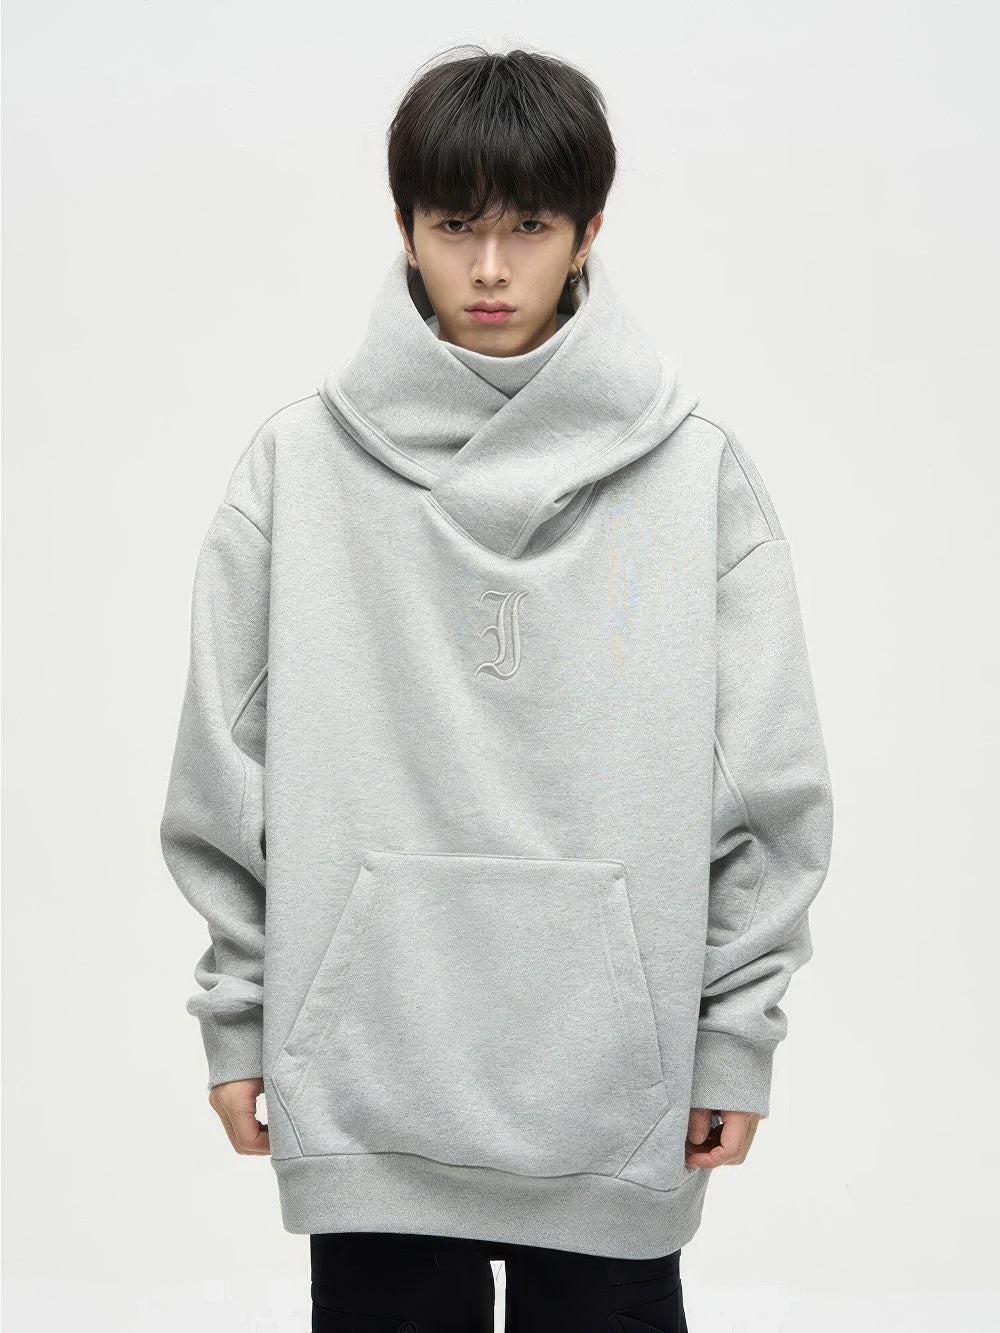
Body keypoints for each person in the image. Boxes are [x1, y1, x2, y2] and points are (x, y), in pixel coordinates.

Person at [159, 43, 834, 1333]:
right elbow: (221, 770)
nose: (487, 269)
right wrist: (236, 1018)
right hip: (369, 1083)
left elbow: (769, 782)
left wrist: (736, 1032)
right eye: (453, 225)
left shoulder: (698, 478)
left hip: (614, 1098)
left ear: (588, 234)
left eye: (527, 227)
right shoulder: (296, 471)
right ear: (403, 230)